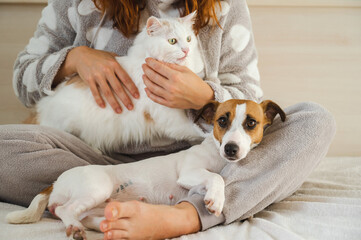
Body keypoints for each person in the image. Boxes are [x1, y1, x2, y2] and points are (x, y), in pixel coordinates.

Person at [0, 0, 336, 239]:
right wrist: (75, 59)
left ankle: (184, 216)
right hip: (93, 161)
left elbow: (248, 100)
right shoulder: (78, 4)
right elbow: (22, 80)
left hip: (203, 160)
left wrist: (205, 96)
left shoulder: (225, 7)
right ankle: (101, 201)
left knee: (314, 122)